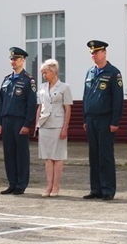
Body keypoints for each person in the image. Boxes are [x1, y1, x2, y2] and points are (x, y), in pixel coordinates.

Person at [82, 40, 124, 201]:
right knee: (94, 155)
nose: (94, 55)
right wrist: (85, 117)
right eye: (92, 53)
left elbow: (117, 99)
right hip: (91, 119)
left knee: (105, 155)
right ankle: (96, 189)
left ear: (104, 53)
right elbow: (86, 96)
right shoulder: (90, 72)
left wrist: (115, 121)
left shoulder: (113, 72)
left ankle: (108, 189)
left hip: (105, 119)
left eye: (97, 52)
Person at [0, 47, 37, 195]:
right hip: (6, 120)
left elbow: (31, 104)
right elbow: (1, 102)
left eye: (16, 59)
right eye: (11, 59)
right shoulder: (6, 79)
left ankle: (21, 184)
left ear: (23, 60)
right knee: (9, 153)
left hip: (20, 121)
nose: (13, 61)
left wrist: (27, 124)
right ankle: (12, 183)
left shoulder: (28, 80)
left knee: (21, 154)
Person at [34, 59, 73, 197]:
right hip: (45, 124)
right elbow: (40, 106)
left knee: (58, 156)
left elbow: (67, 109)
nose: (44, 75)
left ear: (54, 72)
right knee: (47, 156)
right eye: (42, 73)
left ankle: (56, 186)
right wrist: (37, 124)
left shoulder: (64, 87)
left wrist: (65, 127)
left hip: (58, 124)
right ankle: (49, 185)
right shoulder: (42, 87)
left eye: (45, 72)